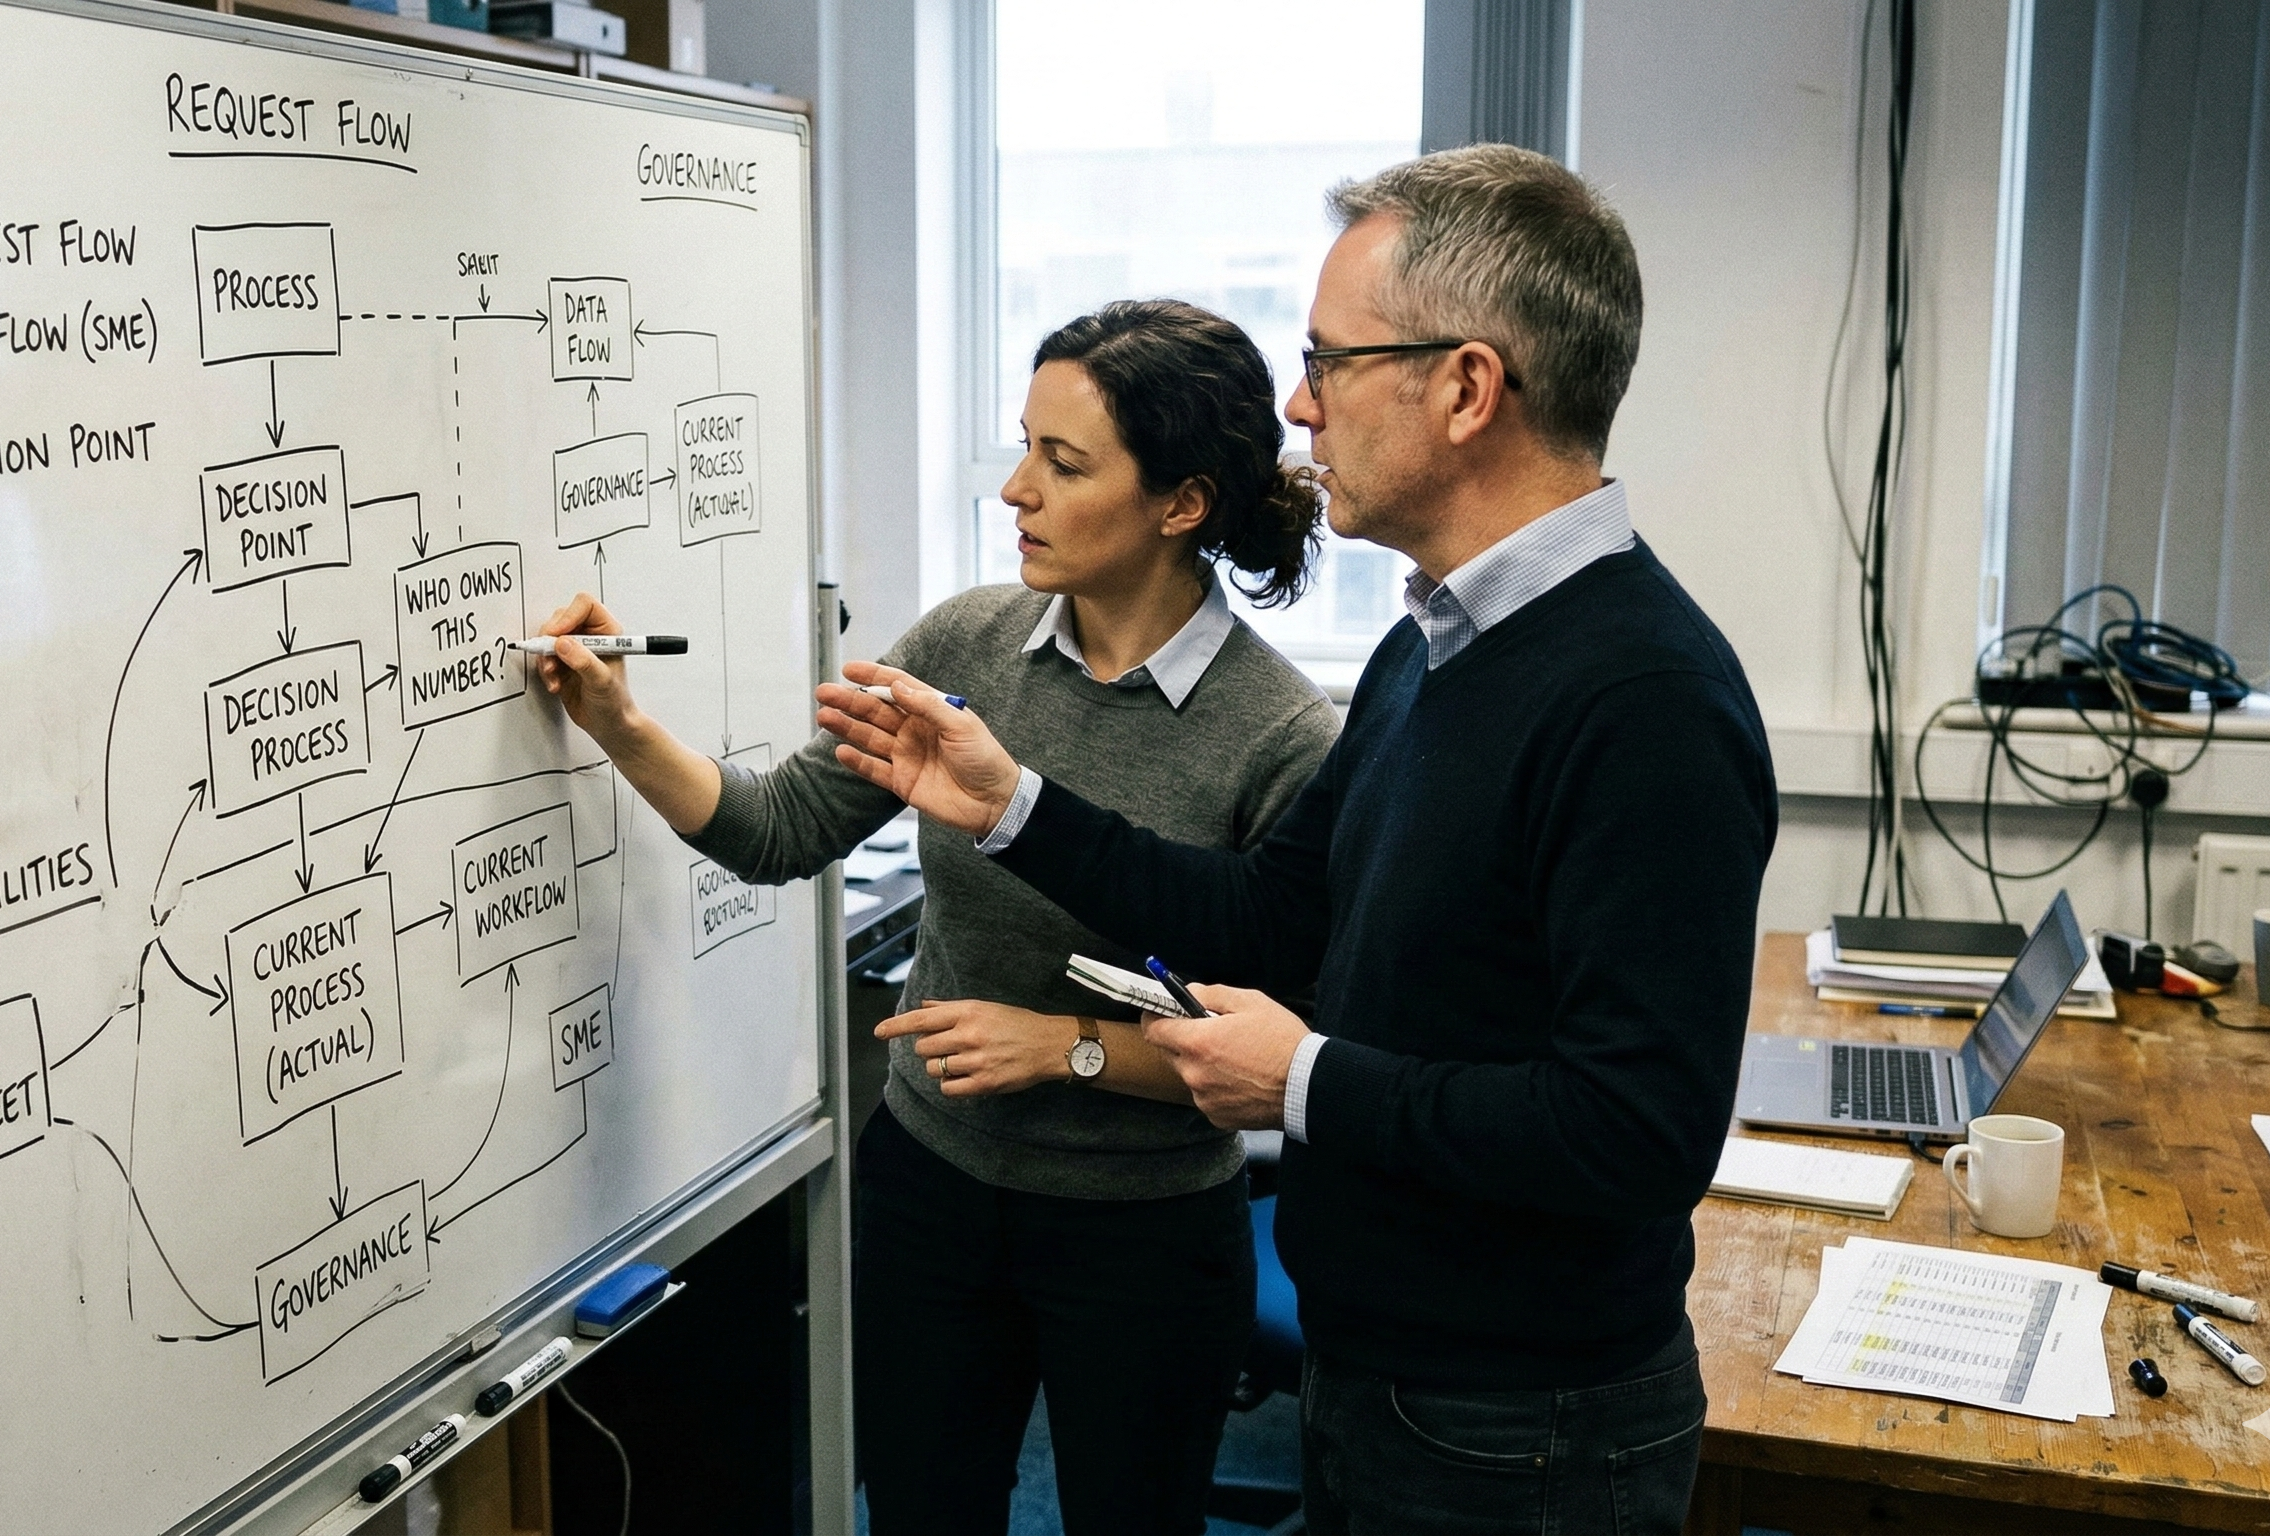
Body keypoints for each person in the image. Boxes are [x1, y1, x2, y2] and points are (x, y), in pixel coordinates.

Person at [813, 145, 1779, 1536]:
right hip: (1385, 1363)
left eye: (1331, 360)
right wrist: (1011, 807)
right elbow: (1270, 915)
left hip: (1521, 1422)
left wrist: (1305, 1081)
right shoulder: (1431, 647)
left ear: (1465, 388)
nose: (1296, 402)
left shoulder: (1643, 699)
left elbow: (1634, 1132)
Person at [531, 299, 1339, 1536]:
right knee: (916, 1510)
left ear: (1180, 503)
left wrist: (1062, 1047)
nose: (1015, 488)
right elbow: (775, 831)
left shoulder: (1279, 735)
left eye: (1062, 464)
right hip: (934, 1190)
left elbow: (1285, 1048)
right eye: (1022, 445)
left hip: (1143, 1230)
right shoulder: (970, 641)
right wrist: (620, 727)